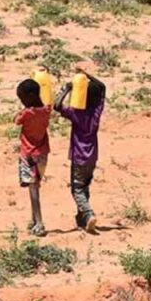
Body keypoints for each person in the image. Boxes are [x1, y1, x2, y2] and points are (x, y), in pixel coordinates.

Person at [53, 69, 107, 234]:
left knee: (77, 188)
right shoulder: (96, 112)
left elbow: (57, 105)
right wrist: (87, 74)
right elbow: (102, 87)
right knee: (85, 186)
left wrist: (68, 88)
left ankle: (89, 214)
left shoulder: (76, 113)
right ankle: (82, 218)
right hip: (92, 157)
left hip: (78, 157)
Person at [16, 79, 52, 237]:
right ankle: (33, 220)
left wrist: (24, 108)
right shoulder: (46, 110)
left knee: (32, 188)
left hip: (28, 154)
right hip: (43, 153)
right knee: (35, 186)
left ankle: (39, 222)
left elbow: (16, 120)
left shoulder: (27, 113)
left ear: (29, 97)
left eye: (22, 99)